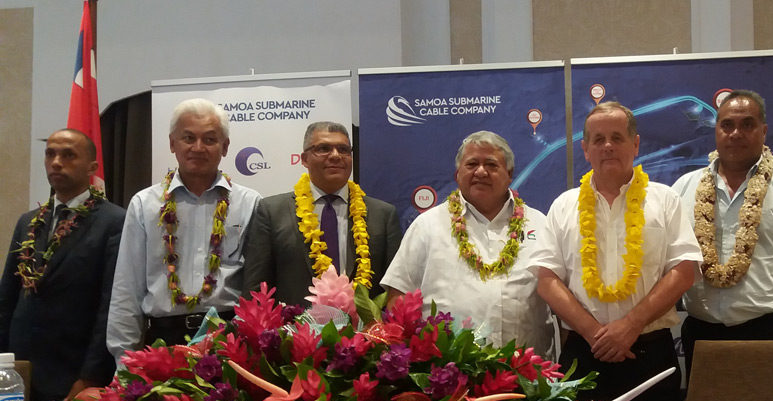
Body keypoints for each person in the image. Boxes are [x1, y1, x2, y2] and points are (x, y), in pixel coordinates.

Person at [528, 102, 701, 401]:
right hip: (583, 354)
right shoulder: (563, 205)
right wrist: (596, 334)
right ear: (586, 149)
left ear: (635, 144)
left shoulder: (664, 200)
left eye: (617, 137)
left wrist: (630, 326)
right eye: (598, 139)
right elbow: (548, 280)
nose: (608, 146)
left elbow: (684, 271)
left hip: (650, 354)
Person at [672, 89, 773, 376]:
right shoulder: (683, 190)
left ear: (763, 131)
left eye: (747, 124)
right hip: (702, 338)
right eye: (727, 125)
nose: (736, 133)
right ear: (716, 131)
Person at [107, 99, 261, 357]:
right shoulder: (145, 204)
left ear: (225, 147)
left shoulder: (249, 203)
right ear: (172, 143)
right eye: (188, 138)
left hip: (228, 340)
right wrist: (124, 358)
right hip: (162, 341)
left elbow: (257, 286)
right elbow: (127, 287)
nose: (198, 148)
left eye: (210, 140)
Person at [381, 131, 553, 356]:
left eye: (491, 164)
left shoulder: (540, 224)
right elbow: (399, 296)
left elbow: (559, 298)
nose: (481, 171)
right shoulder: (427, 225)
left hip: (528, 371)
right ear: (457, 173)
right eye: (472, 164)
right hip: (448, 375)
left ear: (509, 174)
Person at [0, 130, 125, 401]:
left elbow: (110, 306)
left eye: (68, 155)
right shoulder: (29, 221)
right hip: (18, 370)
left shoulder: (113, 222)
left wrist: (91, 375)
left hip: (72, 371)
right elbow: (7, 298)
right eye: (50, 154)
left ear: (92, 167)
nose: (56, 162)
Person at [243, 121, 402, 305]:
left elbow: (395, 288)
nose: (335, 155)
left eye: (343, 149)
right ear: (304, 159)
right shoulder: (272, 212)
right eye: (324, 148)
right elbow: (255, 290)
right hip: (292, 331)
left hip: (364, 330)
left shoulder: (382, 215)